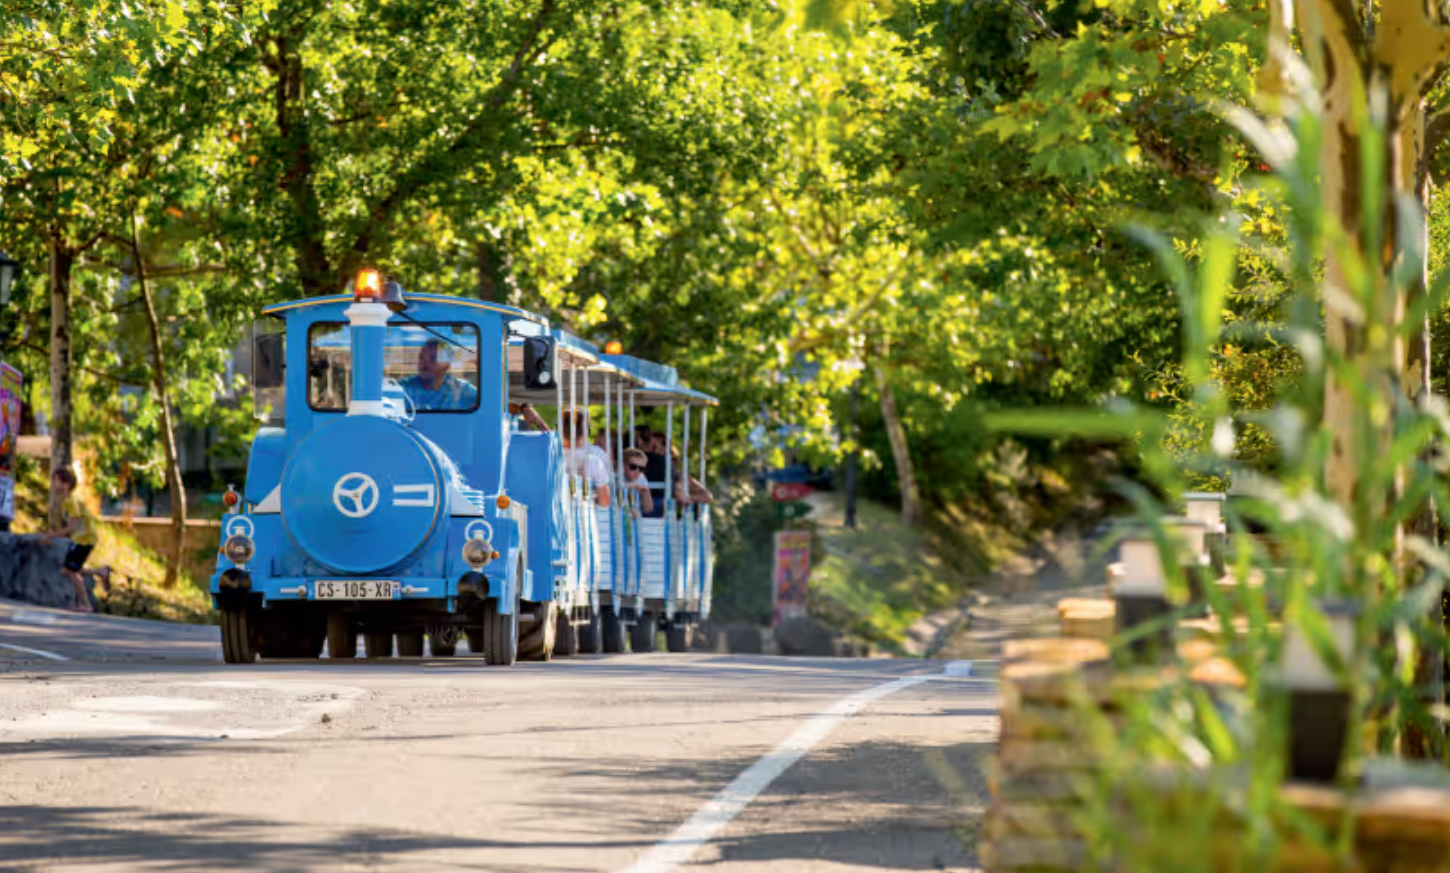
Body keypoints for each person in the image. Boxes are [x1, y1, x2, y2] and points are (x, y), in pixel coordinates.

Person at [39, 466, 110, 612]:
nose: (53, 484)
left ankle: (86, 605)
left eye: (56, 481)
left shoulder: (71, 501)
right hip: (81, 538)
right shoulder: (67, 500)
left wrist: (49, 536)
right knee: (68, 570)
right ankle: (100, 572)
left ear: (66, 484)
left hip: (85, 539)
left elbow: (71, 527)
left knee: (71, 571)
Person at [399, 339, 479, 411]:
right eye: (421, 357)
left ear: (447, 365)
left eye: (433, 359)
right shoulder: (403, 388)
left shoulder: (462, 390)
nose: (423, 363)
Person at [562, 410, 611, 507]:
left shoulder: (548, 458)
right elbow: (604, 502)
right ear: (585, 432)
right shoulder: (595, 461)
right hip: (584, 517)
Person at [620, 448, 655, 517]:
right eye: (633, 467)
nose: (637, 471)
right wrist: (629, 485)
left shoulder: (641, 478)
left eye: (641, 469)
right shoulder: (616, 476)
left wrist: (646, 493)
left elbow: (648, 509)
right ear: (623, 465)